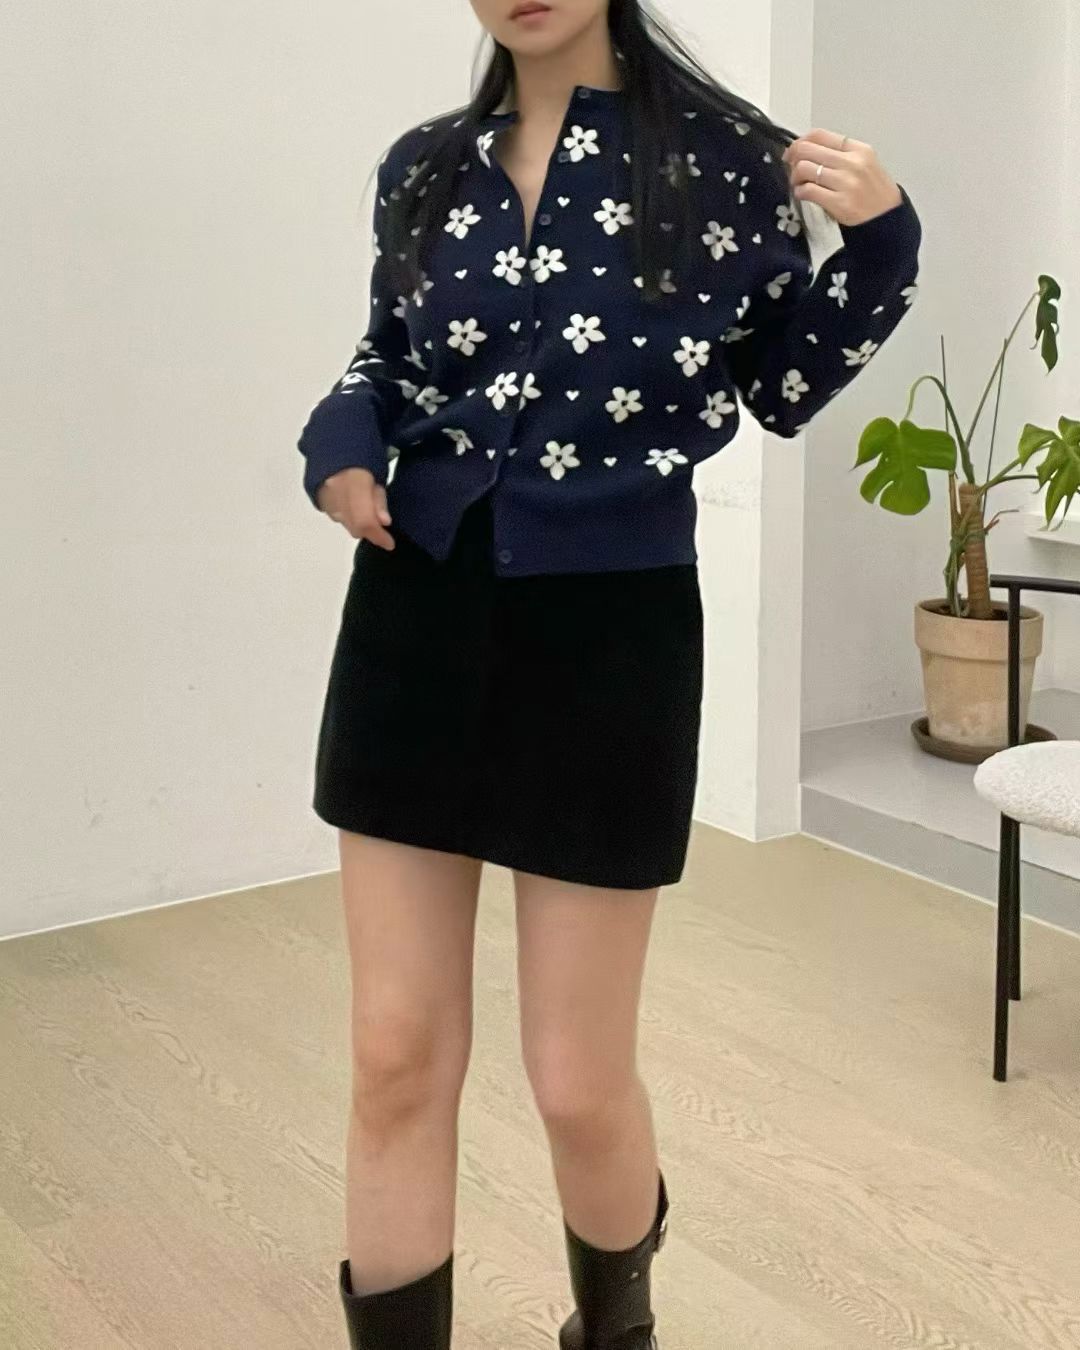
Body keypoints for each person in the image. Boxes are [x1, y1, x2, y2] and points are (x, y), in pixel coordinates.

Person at [296, 1, 922, 1345]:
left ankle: (616, 1322)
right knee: (394, 1053)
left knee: (578, 1079)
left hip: (611, 637)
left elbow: (783, 387)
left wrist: (882, 244)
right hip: (417, 613)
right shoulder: (425, 166)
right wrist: (342, 437)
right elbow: (389, 356)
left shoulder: (731, 162)